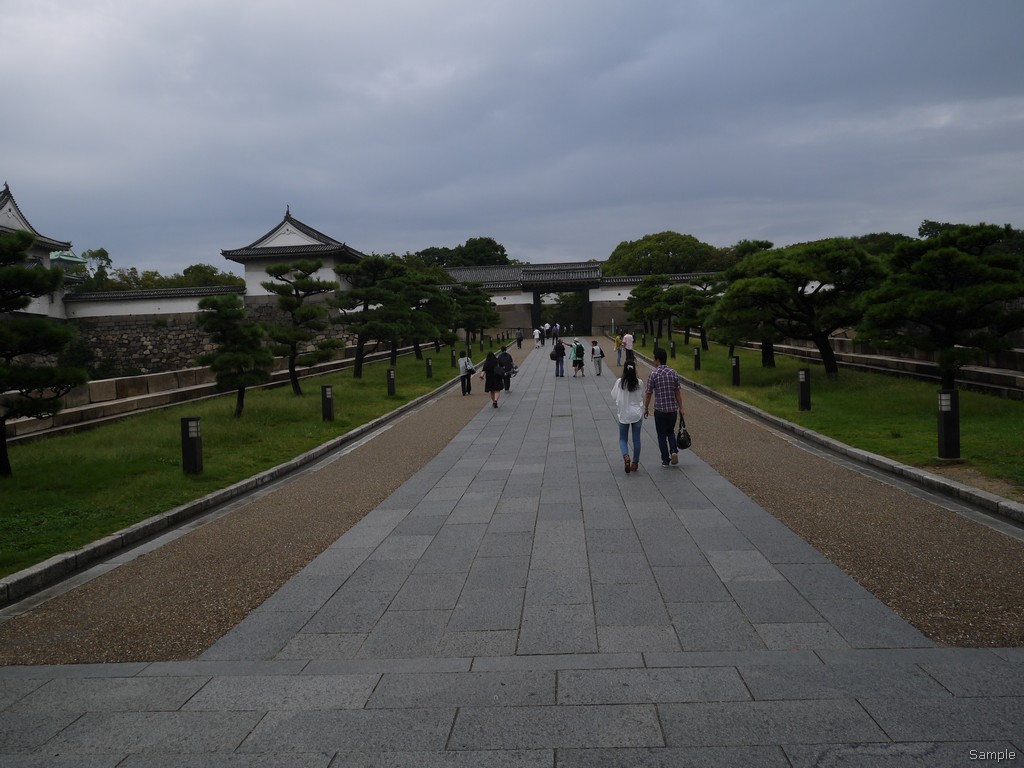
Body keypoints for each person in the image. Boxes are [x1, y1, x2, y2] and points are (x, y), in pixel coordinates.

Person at [643, 347, 685, 467]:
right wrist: (681, 407)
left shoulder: (654, 374)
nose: (653, 360)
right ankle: (673, 450)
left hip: (660, 409)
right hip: (672, 409)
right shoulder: (673, 373)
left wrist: (646, 408)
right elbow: (677, 392)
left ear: (658, 360)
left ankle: (665, 460)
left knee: (661, 435)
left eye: (654, 358)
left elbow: (649, 393)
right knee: (670, 431)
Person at [611, 362, 644, 474]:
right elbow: (642, 395)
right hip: (636, 414)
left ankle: (626, 456)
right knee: (636, 439)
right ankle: (635, 463)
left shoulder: (619, 382)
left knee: (623, 439)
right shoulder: (639, 382)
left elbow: (613, 395)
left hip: (624, 414)